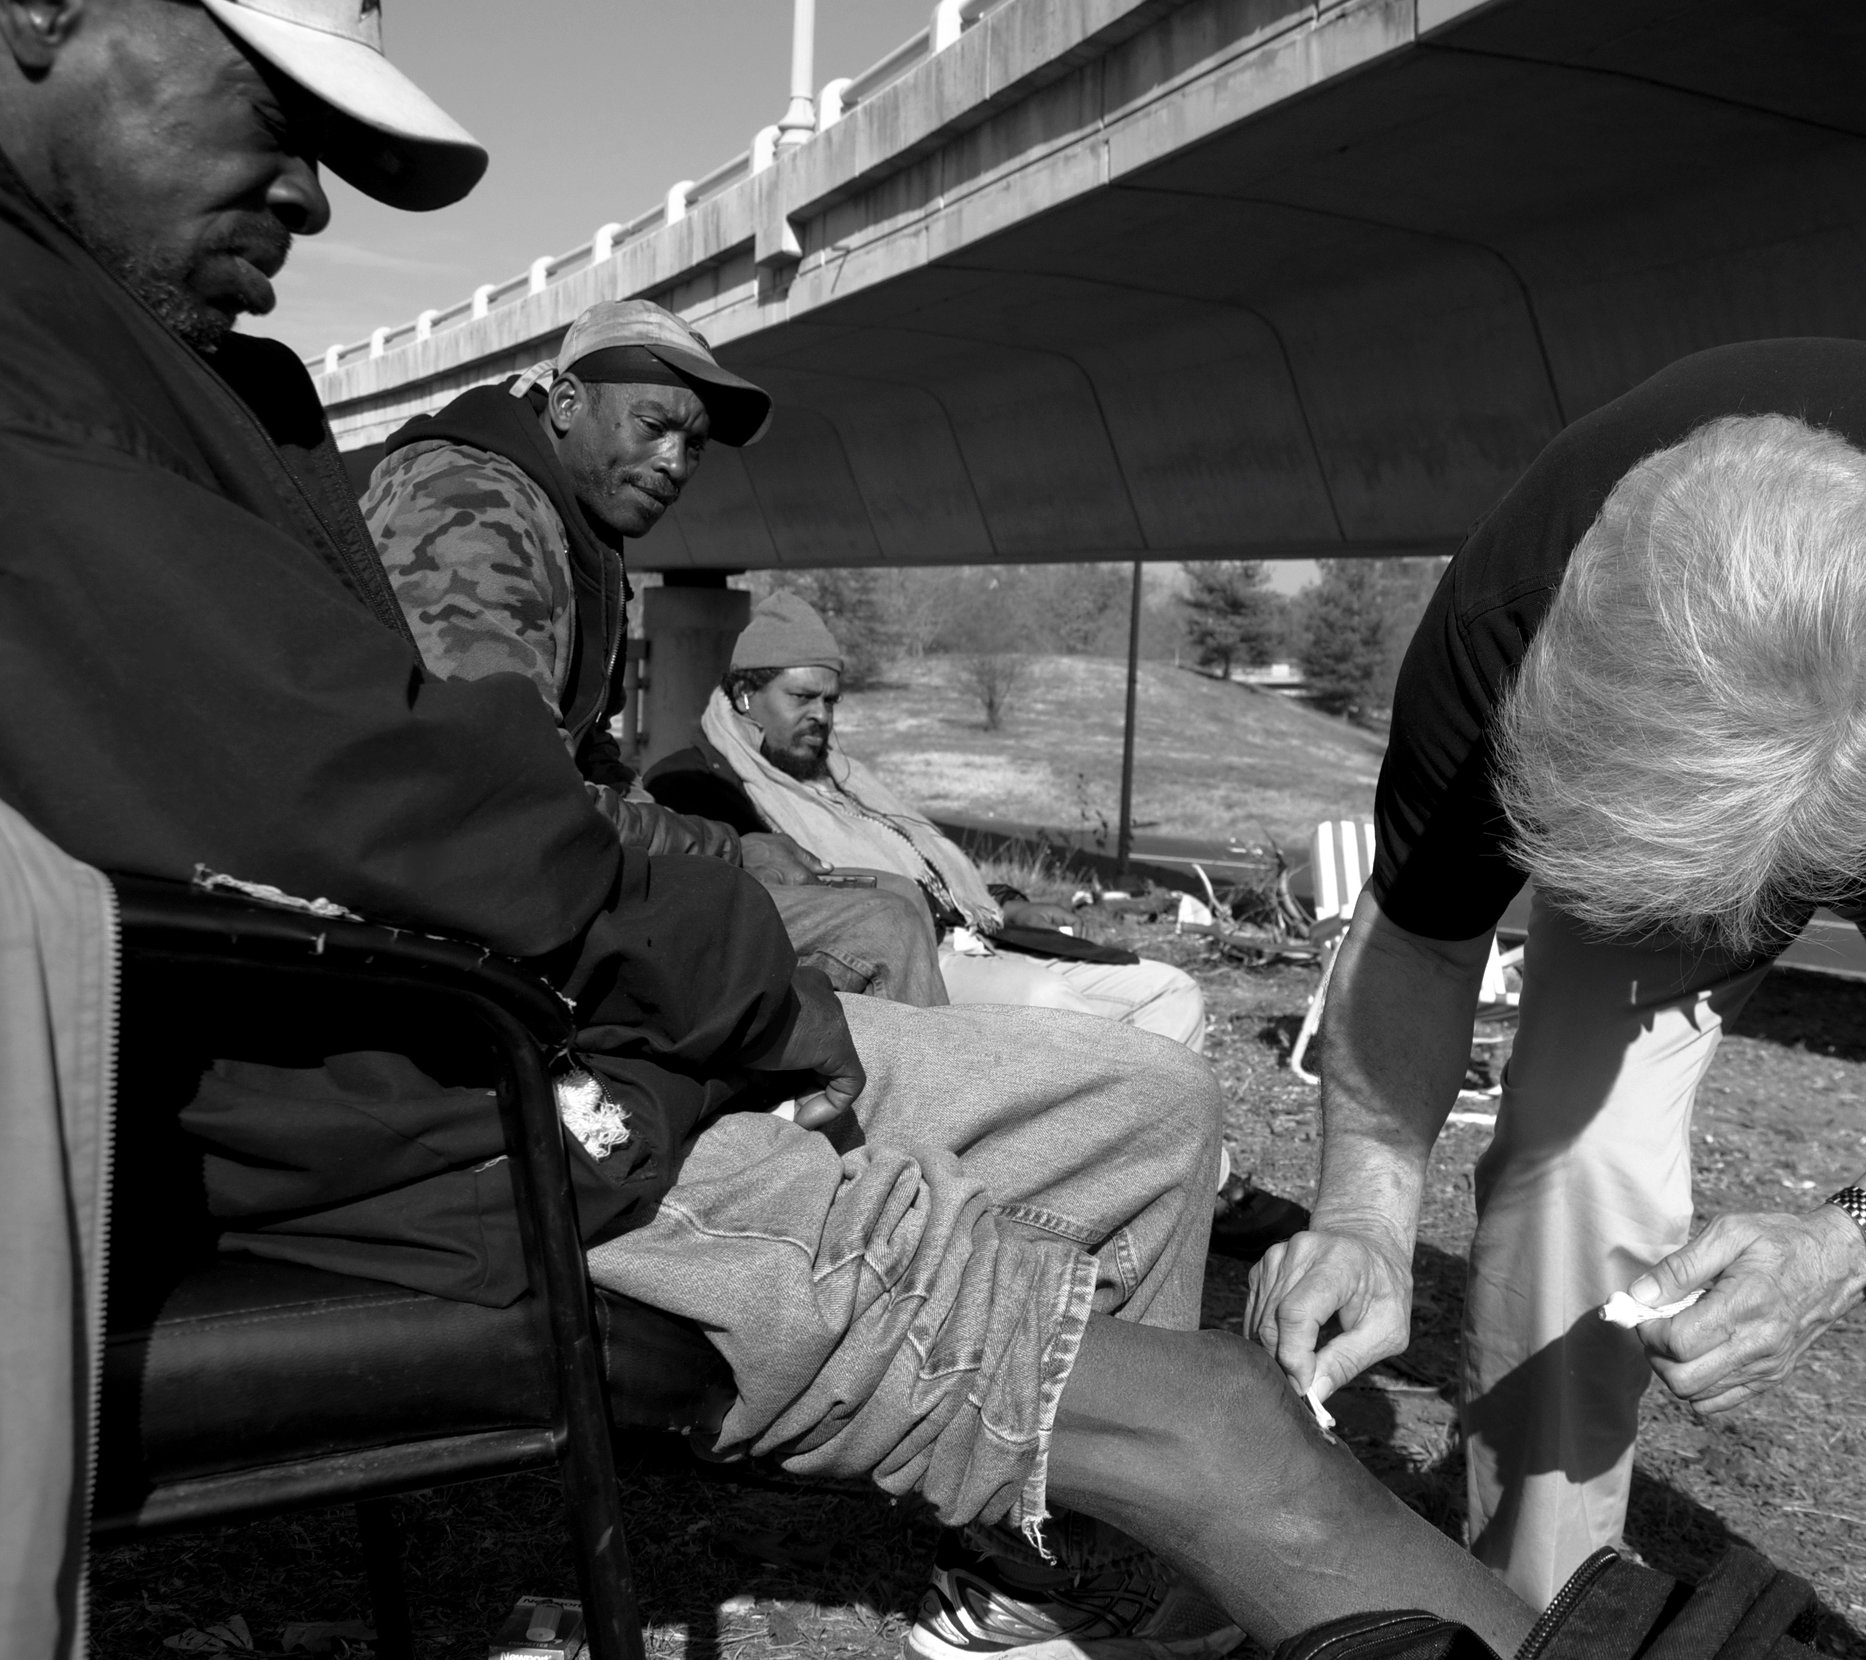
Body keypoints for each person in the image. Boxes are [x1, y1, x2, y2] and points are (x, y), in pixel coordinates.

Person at [0, 2, 1551, 1652]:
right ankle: (1058, 1494)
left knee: (1145, 1107)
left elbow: (402, 798)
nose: (309, 198)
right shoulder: (426, 490)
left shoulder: (168, 374)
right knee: (1213, 1407)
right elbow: (409, 798)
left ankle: (1058, 1532)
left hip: (500, 1068)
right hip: (459, 1115)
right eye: (271, 105)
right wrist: (732, 959)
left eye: (696, 432)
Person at [1250, 340, 1866, 1660]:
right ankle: (1537, 1620)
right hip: (1645, 832)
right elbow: (1420, 941)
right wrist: (1364, 1212)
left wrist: (1852, 1238)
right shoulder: (1508, 620)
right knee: (1571, 1160)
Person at [363, 297, 943, 1007]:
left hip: (540, 875)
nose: (675, 463)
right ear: (569, 402)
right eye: (654, 426)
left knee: (892, 894)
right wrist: (726, 852)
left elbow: (587, 756)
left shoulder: (574, 529)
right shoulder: (468, 505)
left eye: (693, 444)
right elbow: (516, 798)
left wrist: (714, 843)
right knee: (879, 929)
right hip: (457, 913)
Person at [646, 594, 1210, 1051]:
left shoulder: (840, 775)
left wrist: (1010, 904)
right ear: (746, 694)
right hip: (902, 964)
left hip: (981, 940)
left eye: (832, 700)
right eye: (802, 697)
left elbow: (922, 864)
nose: (821, 715)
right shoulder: (700, 784)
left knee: (1170, 991)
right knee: (1046, 1004)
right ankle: (1115, 1160)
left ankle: (1157, 1170)